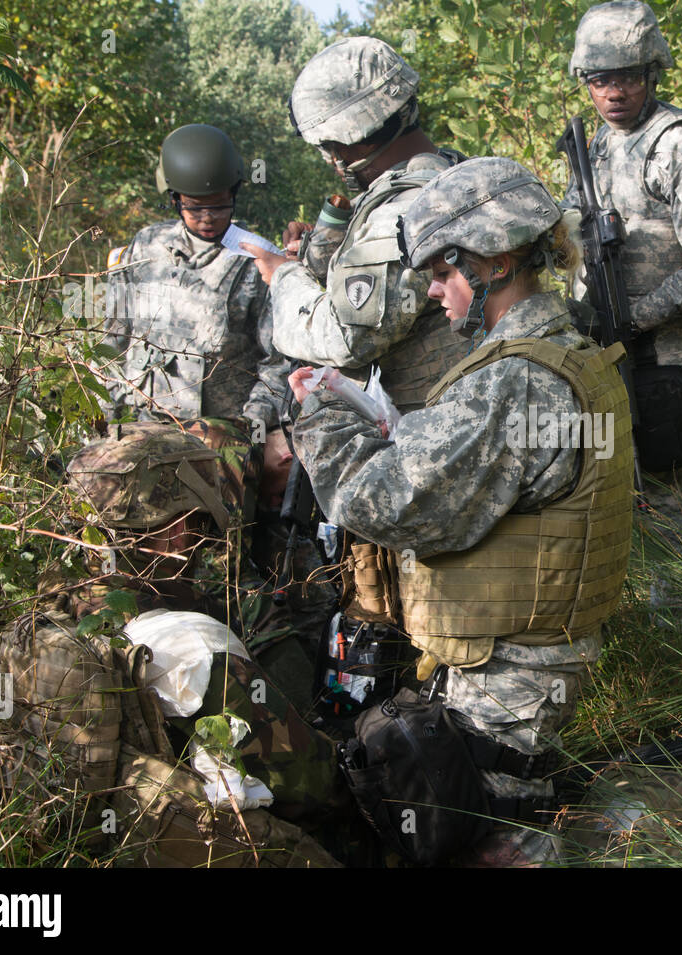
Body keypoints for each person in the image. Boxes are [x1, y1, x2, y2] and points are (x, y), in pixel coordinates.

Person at [288, 157, 634, 865]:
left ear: (498, 259)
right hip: (518, 658)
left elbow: (383, 501)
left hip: (507, 674)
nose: (434, 293)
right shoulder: (559, 352)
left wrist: (322, 414)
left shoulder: (515, 379)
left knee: (491, 841)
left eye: (444, 272)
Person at [0, 424, 349, 866]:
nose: (204, 536)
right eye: (200, 520)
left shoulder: (46, 611)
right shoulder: (193, 648)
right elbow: (313, 784)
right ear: (177, 530)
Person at [562, 0, 682, 589]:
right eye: (600, 79)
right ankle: (630, 625)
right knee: (605, 501)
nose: (614, 91)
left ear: (652, 73)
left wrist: (637, 317)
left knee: (674, 509)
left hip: (664, 361)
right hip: (599, 356)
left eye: (628, 76)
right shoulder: (591, 152)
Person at [244, 37, 467, 414]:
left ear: (351, 140)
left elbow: (347, 336)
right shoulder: (455, 172)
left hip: (430, 426)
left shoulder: (403, 209)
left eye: (329, 146)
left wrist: (283, 276)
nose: (330, 159)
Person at [103, 124, 290, 452]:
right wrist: (105, 410)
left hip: (219, 442)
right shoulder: (145, 246)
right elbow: (113, 338)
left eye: (218, 205)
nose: (207, 218)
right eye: (194, 206)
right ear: (174, 200)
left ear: (234, 194)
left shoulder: (256, 260)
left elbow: (279, 362)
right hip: (140, 428)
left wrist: (248, 428)